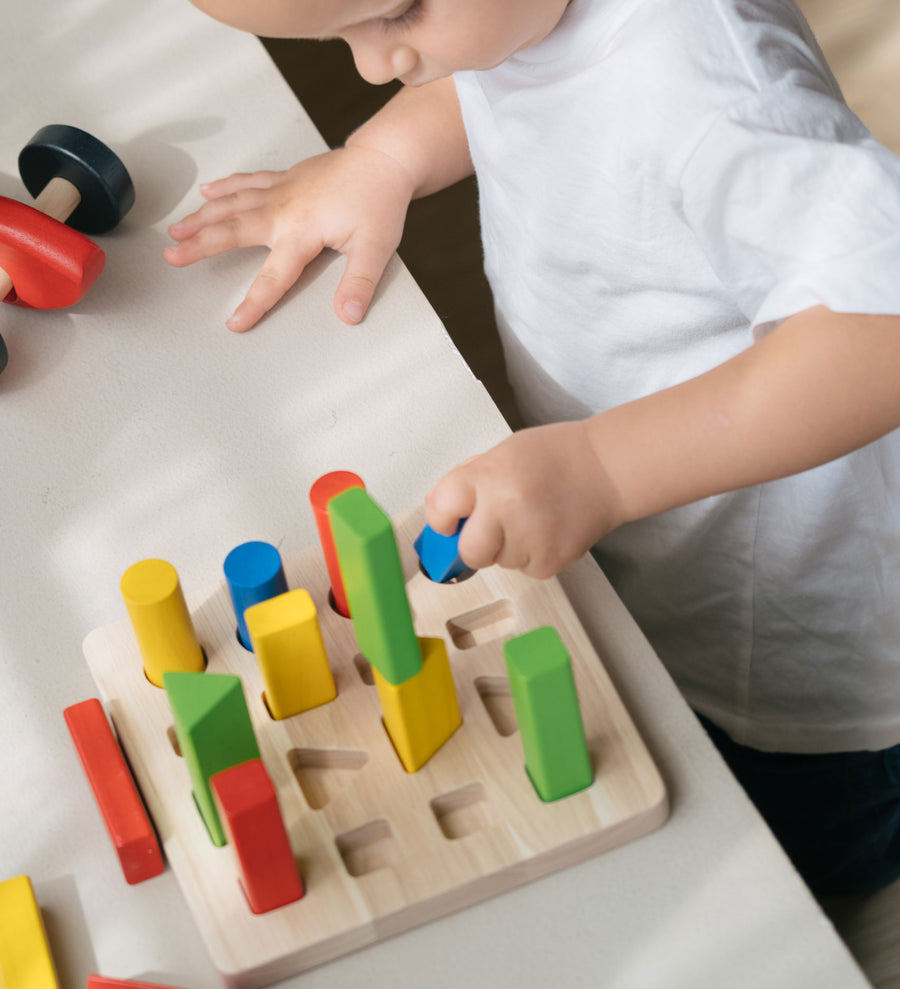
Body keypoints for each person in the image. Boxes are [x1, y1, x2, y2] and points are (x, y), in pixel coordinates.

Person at [165, 0, 900, 896]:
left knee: (756, 877)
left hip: (789, 653)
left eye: (394, 13)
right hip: (647, 538)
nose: (372, 64)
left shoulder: (709, 78)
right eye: (340, 35)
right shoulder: (518, 14)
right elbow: (511, 78)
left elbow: (878, 332)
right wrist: (382, 160)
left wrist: (606, 467)